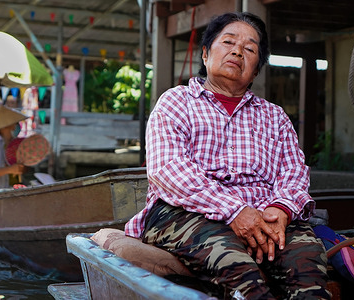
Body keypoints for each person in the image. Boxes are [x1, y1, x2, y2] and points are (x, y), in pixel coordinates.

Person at [125, 12, 331, 299]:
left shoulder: (274, 116)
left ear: (256, 70)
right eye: (229, 42)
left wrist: (280, 210)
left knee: (307, 263)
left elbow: (294, 173)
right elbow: (168, 171)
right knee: (240, 272)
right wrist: (234, 210)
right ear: (206, 54)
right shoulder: (175, 101)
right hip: (185, 212)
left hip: (263, 214)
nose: (237, 51)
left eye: (249, 49)